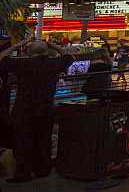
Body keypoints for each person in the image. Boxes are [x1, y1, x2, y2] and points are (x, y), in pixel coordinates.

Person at [0, 38, 74, 183]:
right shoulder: (54, 63)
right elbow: (70, 57)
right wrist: (52, 44)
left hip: (24, 110)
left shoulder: (24, 64)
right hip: (46, 109)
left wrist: (18, 44)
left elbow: (1, 58)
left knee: (23, 142)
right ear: (47, 51)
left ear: (29, 52)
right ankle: (42, 170)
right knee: (44, 140)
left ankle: (23, 174)